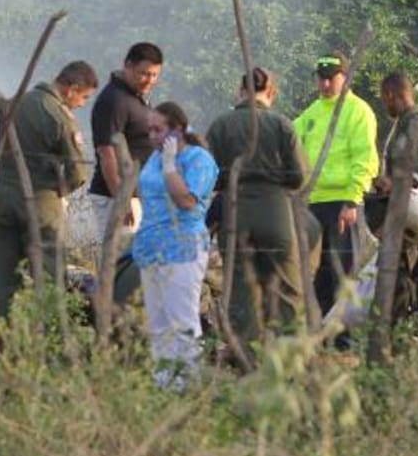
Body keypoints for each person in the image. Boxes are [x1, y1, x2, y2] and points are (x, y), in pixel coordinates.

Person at [0, 61, 98, 318]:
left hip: (3, 197)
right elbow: (78, 171)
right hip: (41, 201)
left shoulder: (13, 104)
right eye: (83, 97)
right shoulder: (57, 114)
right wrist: (60, 190)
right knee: (49, 276)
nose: (81, 104)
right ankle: (47, 335)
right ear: (72, 88)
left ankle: (2, 335)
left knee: (2, 276)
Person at [205, 67, 307, 345]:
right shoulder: (282, 125)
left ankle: (247, 360)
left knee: (241, 290)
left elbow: (206, 176)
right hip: (276, 212)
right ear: (271, 93)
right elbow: (299, 177)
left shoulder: (220, 126)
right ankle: (289, 362)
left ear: (240, 91)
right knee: (287, 289)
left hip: (235, 211)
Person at [133, 101, 218, 389]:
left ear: (178, 129)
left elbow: (186, 200)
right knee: (158, 322)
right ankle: (163, 382)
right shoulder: (153, 158)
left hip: (183, 247)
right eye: (150, 131)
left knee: (181, 319)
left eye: (159, 130)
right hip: (151, 247)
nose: (153, 136)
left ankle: (187, 384)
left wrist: (170, 165)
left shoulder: (199, 160)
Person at [293, 51, 379, 322]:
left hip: (344, 202)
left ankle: (341, 337)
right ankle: (317, 332)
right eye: (321, 78)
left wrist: (353, 200)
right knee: (316, 272)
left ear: (345, 77)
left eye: (331, 78)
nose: (325, 84)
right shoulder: (310, 114)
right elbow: (292, 149)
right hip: (312, 204)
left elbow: (364, 158)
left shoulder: (358, 111)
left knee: (343, 271)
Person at [87, 42, 162, 240]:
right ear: (128, 66)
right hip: (115, 198)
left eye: (154, 75)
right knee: (119, 262)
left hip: (135, 197)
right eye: (144, 73)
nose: (149, 80)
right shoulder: (114, 100)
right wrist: (122, 198)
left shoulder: (136, 98)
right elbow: (107, 153)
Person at [373, 72, 418, 320]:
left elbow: (416, 165)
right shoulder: (405, 123)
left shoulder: (416, 121)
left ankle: (400, 331)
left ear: (390, 95)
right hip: (403, 211)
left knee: (402, 276)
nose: (385, 105)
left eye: (384, 99)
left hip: (411, 213)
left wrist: (390, 181)